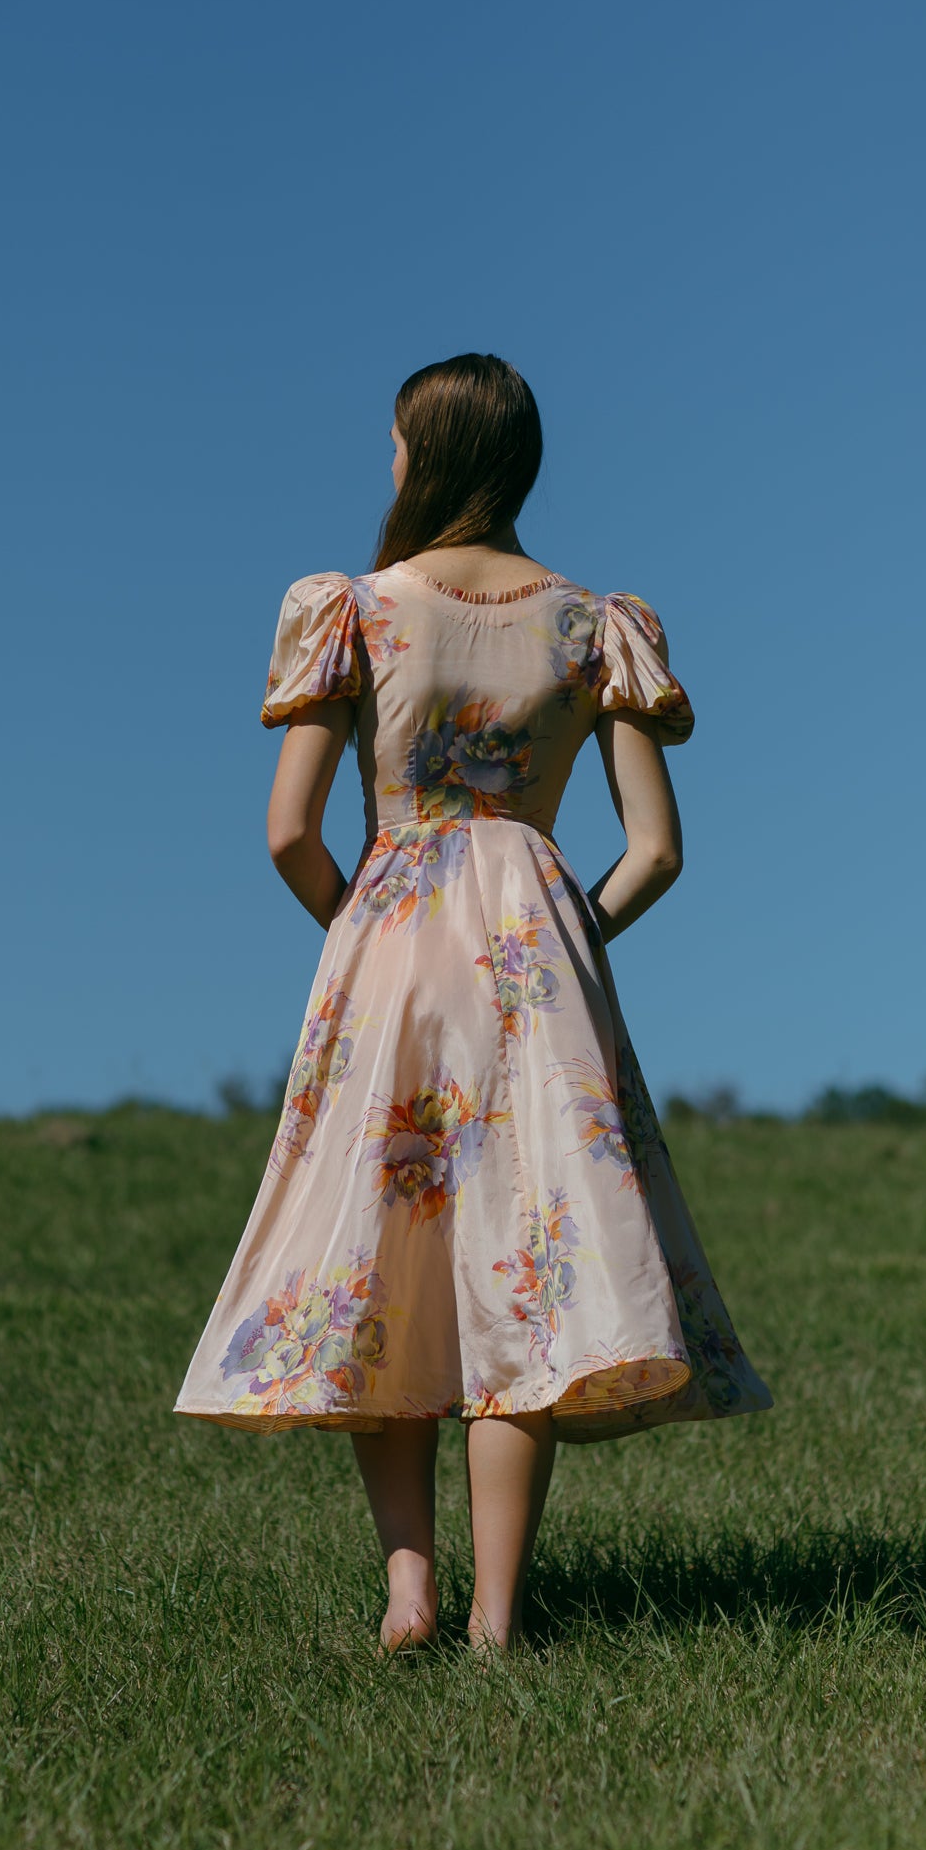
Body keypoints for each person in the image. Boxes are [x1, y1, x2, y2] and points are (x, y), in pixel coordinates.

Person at [174, 353, 772, 1655]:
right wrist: (562, 943)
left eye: (396, 445)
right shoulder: (594, 622)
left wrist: (363, 938)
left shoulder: (356, 608)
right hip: (531, 950)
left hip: (388, 935)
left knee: (383, 1258)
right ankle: (502, 1622)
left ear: (426, 453)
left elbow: (287, 832)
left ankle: (407, 1592)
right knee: (526, 1269)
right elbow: (656, 849)